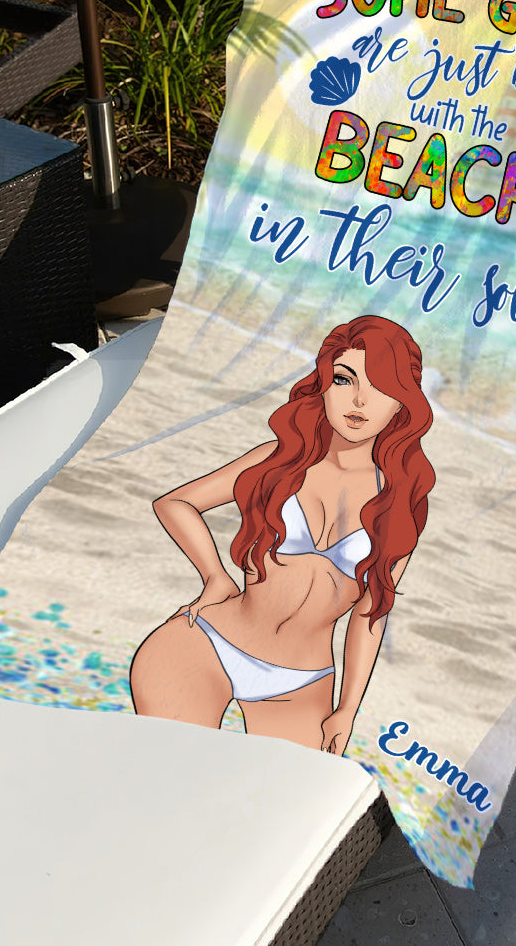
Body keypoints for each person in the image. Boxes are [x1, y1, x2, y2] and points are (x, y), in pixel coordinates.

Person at [130, 315, 434, 755]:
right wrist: (215, 577)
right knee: (169, 774)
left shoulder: (401, 502)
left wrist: (348, 708)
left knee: (280, 794)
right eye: (344, 379)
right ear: (323, 384)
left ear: (402, 404)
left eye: (381, 387)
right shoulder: (277, 460)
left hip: (301, 682)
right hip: (205, 644)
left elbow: (370, 613)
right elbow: (175, 503)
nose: (360, 399)